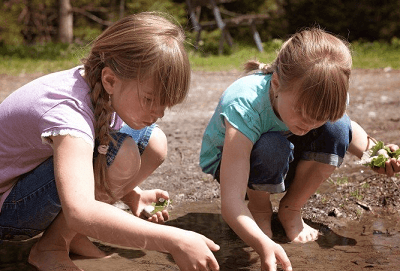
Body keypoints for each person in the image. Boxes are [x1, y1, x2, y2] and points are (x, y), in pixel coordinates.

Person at [0, 12, 220, 271]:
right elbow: (80, 210)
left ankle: (72, 236)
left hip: (29, 189)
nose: (158, 113)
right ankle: (51, 247)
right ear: (110, 80)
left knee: (153, 142)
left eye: (165, 105)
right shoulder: (68, 112)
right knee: (121, 151)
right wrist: (173, 240)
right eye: (150, 100)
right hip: (9, 213)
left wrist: (132, 196)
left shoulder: (99, 89)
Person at [199, 27, 399, 271]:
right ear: (276, 84)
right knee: (272, 145)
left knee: (338, 126)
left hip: (284, 151)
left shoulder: (324, 97)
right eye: (304, 113)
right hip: (231, 163)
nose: (311, 124)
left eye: (319, 117)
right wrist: (262, 244)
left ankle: (291, 208)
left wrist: (374, 153)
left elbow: (347, 129)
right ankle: (259, 209)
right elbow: (230, 202)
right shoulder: (245, 105)